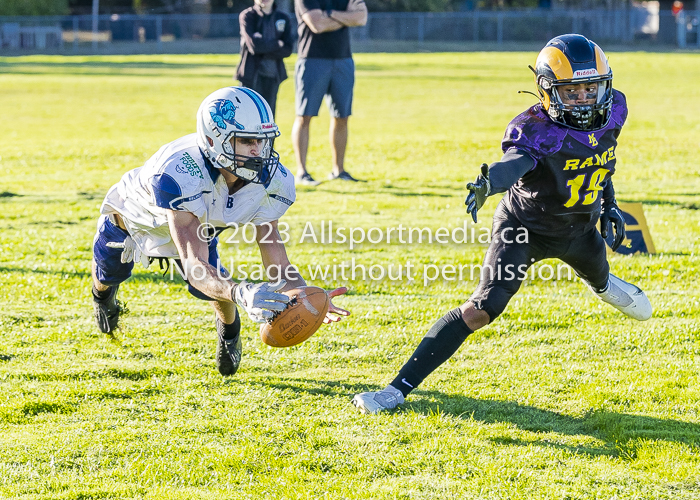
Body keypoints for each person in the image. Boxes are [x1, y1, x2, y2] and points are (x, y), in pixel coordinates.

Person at [352, 34, 653, 414]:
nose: (584, 100)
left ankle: (604, 284)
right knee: (482, 308)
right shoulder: (537, 129)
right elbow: (515, 165)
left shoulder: (615, 111)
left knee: (620, 295)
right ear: (547, 92)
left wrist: (610, 205)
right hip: (524, 230)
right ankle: (395, 390)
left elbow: (601, 161)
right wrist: (488, 183)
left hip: (579, 232)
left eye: (591, 89)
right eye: (572, 92)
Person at [91, 86, 349, 377]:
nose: (258, 151)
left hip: (198, 224)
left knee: (219, 292)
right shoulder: (179, 172)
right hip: (134, 222)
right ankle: (103, 299)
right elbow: (194, 267)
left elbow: (276, 257)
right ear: (214, 140)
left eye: (263, 141)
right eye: (247, 141)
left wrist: (306, 296)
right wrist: (241, 291)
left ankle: (229, 334)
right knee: (107, 274)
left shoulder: (271, 180)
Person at [291, 0, 368, 185]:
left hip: (343, 60)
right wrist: (346, 18)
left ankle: (338, 171)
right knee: (304, 116)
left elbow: (361, 18)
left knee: (342, 116)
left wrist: (330, 13)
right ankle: (302, 172)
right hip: (312, 59)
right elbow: (317, 25)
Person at [236, 0, 295, 118]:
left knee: (268, 117)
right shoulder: (248, 16)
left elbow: (288, 50)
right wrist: (278, 43)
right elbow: (254, 47)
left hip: (273, 75)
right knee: (249, 116)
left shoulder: (283, 18)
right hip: (251, 75)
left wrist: (263, 43)